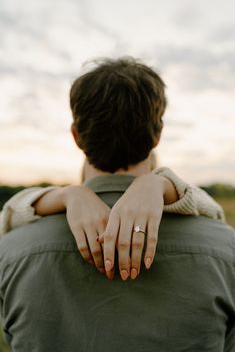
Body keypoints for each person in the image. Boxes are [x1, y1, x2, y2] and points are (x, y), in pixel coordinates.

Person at [0, 57, 234, 352]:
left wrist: (63, 194)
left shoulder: (10, 251)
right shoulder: (226, 248)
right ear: (158, 134)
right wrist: (164, 184)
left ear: (76, 136)